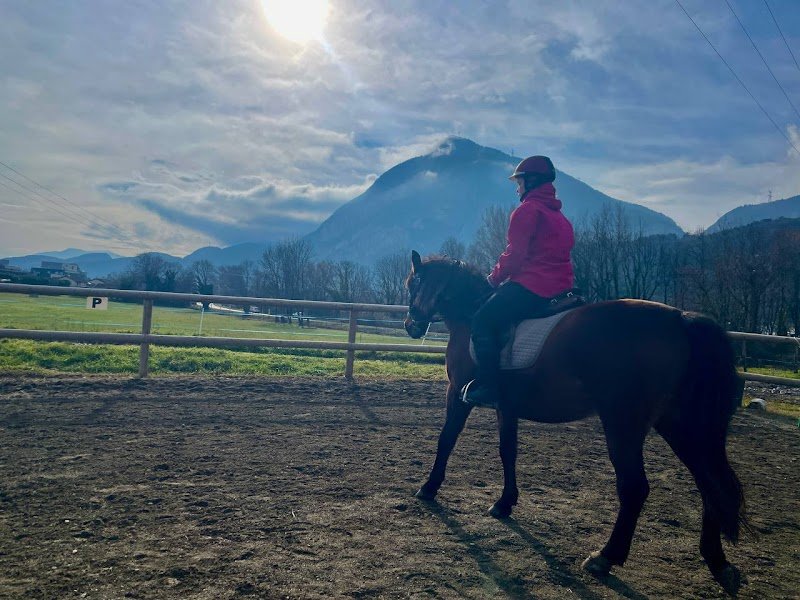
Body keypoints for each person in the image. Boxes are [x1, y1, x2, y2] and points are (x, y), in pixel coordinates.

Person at [460, 155, 575, 409]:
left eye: (520, 182)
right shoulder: (561, 218)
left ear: (532, 181)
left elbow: (515, 254)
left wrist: (494, 278)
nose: (517, 187)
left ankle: (489, 386)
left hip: (532, 285)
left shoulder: (527, 211)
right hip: (562, 288)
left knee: (482, 320)